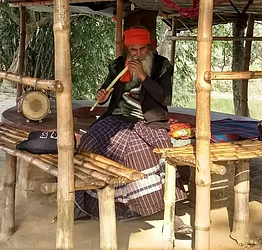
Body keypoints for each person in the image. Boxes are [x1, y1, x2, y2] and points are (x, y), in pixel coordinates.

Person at [74, 26, 192, 234]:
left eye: (142, 50)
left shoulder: (162, 66)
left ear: (150, 47)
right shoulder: (119, 65)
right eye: (133, 50)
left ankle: (170, 211)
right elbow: (106, 89)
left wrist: (143, 77)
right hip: (118, 117)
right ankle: (88, 203)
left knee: (155, 149)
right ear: (128, 50)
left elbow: (165, 99)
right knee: (90, 141)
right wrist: (102, 95)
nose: (137, 55)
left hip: (148, 120)